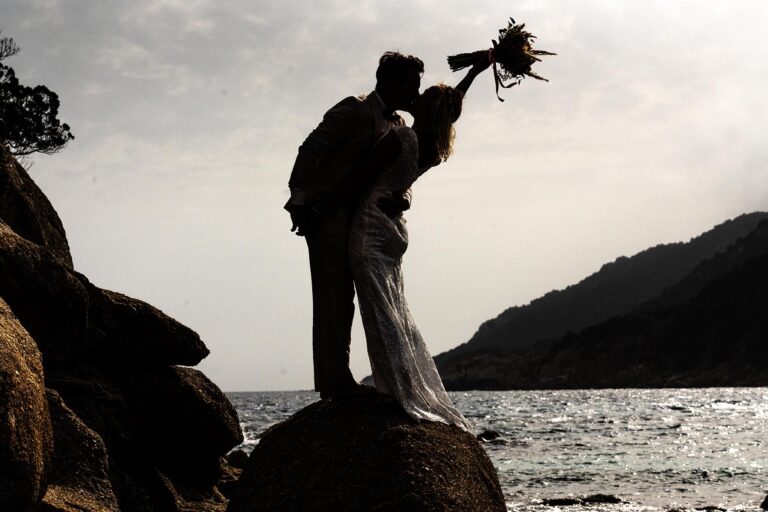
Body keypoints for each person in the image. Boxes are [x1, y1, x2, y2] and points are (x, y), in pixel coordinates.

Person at [349, 56, 490, 431]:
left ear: (429, 108)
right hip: (392, 228)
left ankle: (396, 390)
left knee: (380, 311)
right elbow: (452, 102)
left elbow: (359, 177)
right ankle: (402, 386)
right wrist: (477, 69)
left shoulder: (404, 137)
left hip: (371, 221)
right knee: (392, 309)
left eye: (424, 94)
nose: (418, 95)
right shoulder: (433, 146)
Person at [285, 52, 424, 399]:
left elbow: (401, 176)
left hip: (364, 218)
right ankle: (334, 381)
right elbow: (310, 149)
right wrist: (300, 201)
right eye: (412, 84)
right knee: (334, 295)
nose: (415, 93)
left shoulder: (399, 126)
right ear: (390, 81)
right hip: (326, 211)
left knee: (360, 296)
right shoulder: (354, 109)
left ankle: (350, 377)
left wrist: (403, 199)